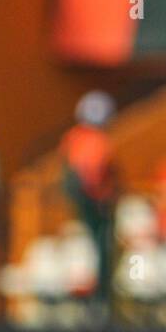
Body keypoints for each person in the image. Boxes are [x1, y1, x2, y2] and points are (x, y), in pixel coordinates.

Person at [60, 91, 117, 314]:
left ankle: (95, 299)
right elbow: (91, 174)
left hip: (84, 203)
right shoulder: (94, 141)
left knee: (94, 248)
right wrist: (101, 199)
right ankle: (98, 299)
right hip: (93, 204)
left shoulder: (74, 138)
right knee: (100, 247)